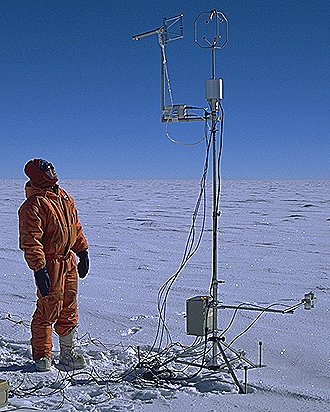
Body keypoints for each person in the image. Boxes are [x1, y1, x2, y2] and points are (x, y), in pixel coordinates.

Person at [18, 159, 90, 372]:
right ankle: (42, 355)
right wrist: (39, 269)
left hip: (67, 261)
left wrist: (82, 251)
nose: (52, 172)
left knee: (69, 306)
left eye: (52, 168)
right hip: (51, 264)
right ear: (38, 175)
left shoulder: (63, 197)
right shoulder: (34, 204)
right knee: (48, 308)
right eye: (47, 170)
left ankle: (67, 354)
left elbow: (74, 227)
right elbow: (31, 240)